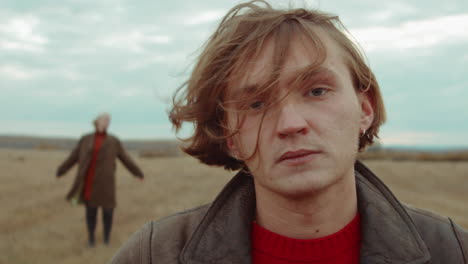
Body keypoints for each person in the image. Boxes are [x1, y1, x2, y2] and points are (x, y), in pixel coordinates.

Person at [111, 1, 468, 263]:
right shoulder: (153, 256)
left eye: (316, 91)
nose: (290, 124)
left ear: (365, 108)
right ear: (230, 136)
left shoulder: (453, 252)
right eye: (256, 104)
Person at [57, 112, 144, 247]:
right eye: (104, 119)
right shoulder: (85, 139)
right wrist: (61, 170)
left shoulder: (113, 141)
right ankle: (91, 239)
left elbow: (125, 158)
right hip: (89, 182)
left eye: (108, 120)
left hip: (106, 183)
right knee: (91, 212)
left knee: (108, 212)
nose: (107, 122)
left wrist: (137, 173)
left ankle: (106, 240)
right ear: (97, 121)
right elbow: (73, 157)